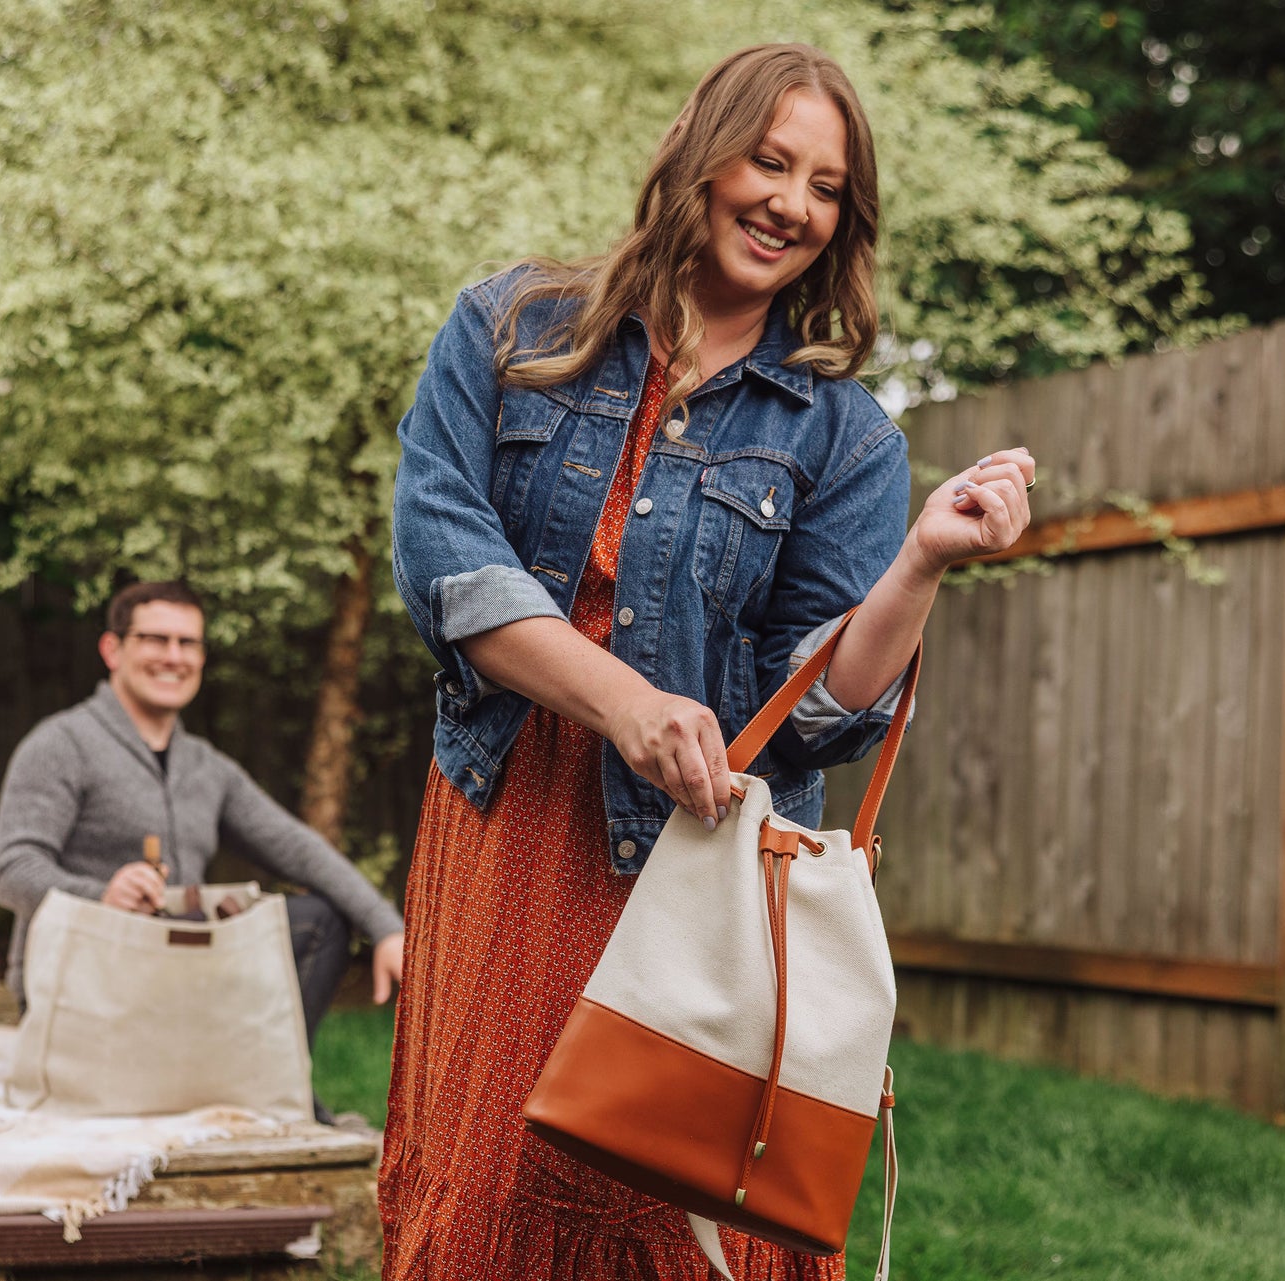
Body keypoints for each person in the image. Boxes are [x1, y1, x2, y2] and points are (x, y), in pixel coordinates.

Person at [383, 42, 1034, 1281]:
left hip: (703, 866)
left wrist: (921, 565)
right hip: (513, 834)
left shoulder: (841, 436)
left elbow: (824, 719)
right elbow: (444, 559)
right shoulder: (510, 328)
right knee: (487, 1201)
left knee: (680, 1217)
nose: (793, 202)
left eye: (827, 186)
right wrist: (623, 703)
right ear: (700, 157)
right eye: (770, 159)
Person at [0, 580, 407, 1119]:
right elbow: (11, 870)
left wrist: (386, 927)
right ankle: (268, 1096)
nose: (173, 656)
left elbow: (299, 849)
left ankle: (271, 1084)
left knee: (321, 920)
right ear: (112, 649)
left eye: (188, 644)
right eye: (155, 639)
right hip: (85, 988)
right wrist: (100, 893)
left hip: (177, 980)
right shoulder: (60, 745)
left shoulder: (206, 768)